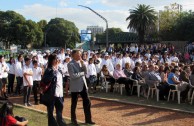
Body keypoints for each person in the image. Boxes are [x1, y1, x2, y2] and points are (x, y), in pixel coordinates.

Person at [68, 49, 95, 125]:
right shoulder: (70, 64)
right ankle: (74, 120)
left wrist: (83, 64)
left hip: (83, 85)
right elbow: (73, 76)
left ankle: (88, 119)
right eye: (78, 54)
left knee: (87, 102)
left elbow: (85, 72)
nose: (80, 56)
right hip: (75, 86)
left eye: (80, 54)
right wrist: (81, 73)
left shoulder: (81, 62)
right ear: (73, 55)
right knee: (74, 103)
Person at [42, 53, 66, 126]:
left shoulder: (59, 69)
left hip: (60, 94)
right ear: (51, 60)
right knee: (51, 113)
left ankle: (61, 124)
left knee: (59, 112)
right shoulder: (49, 70)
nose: (57, 60)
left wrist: (57, 68)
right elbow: (45, 80)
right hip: (51, 94)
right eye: (55, 59)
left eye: (57, 59)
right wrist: (53, 71)